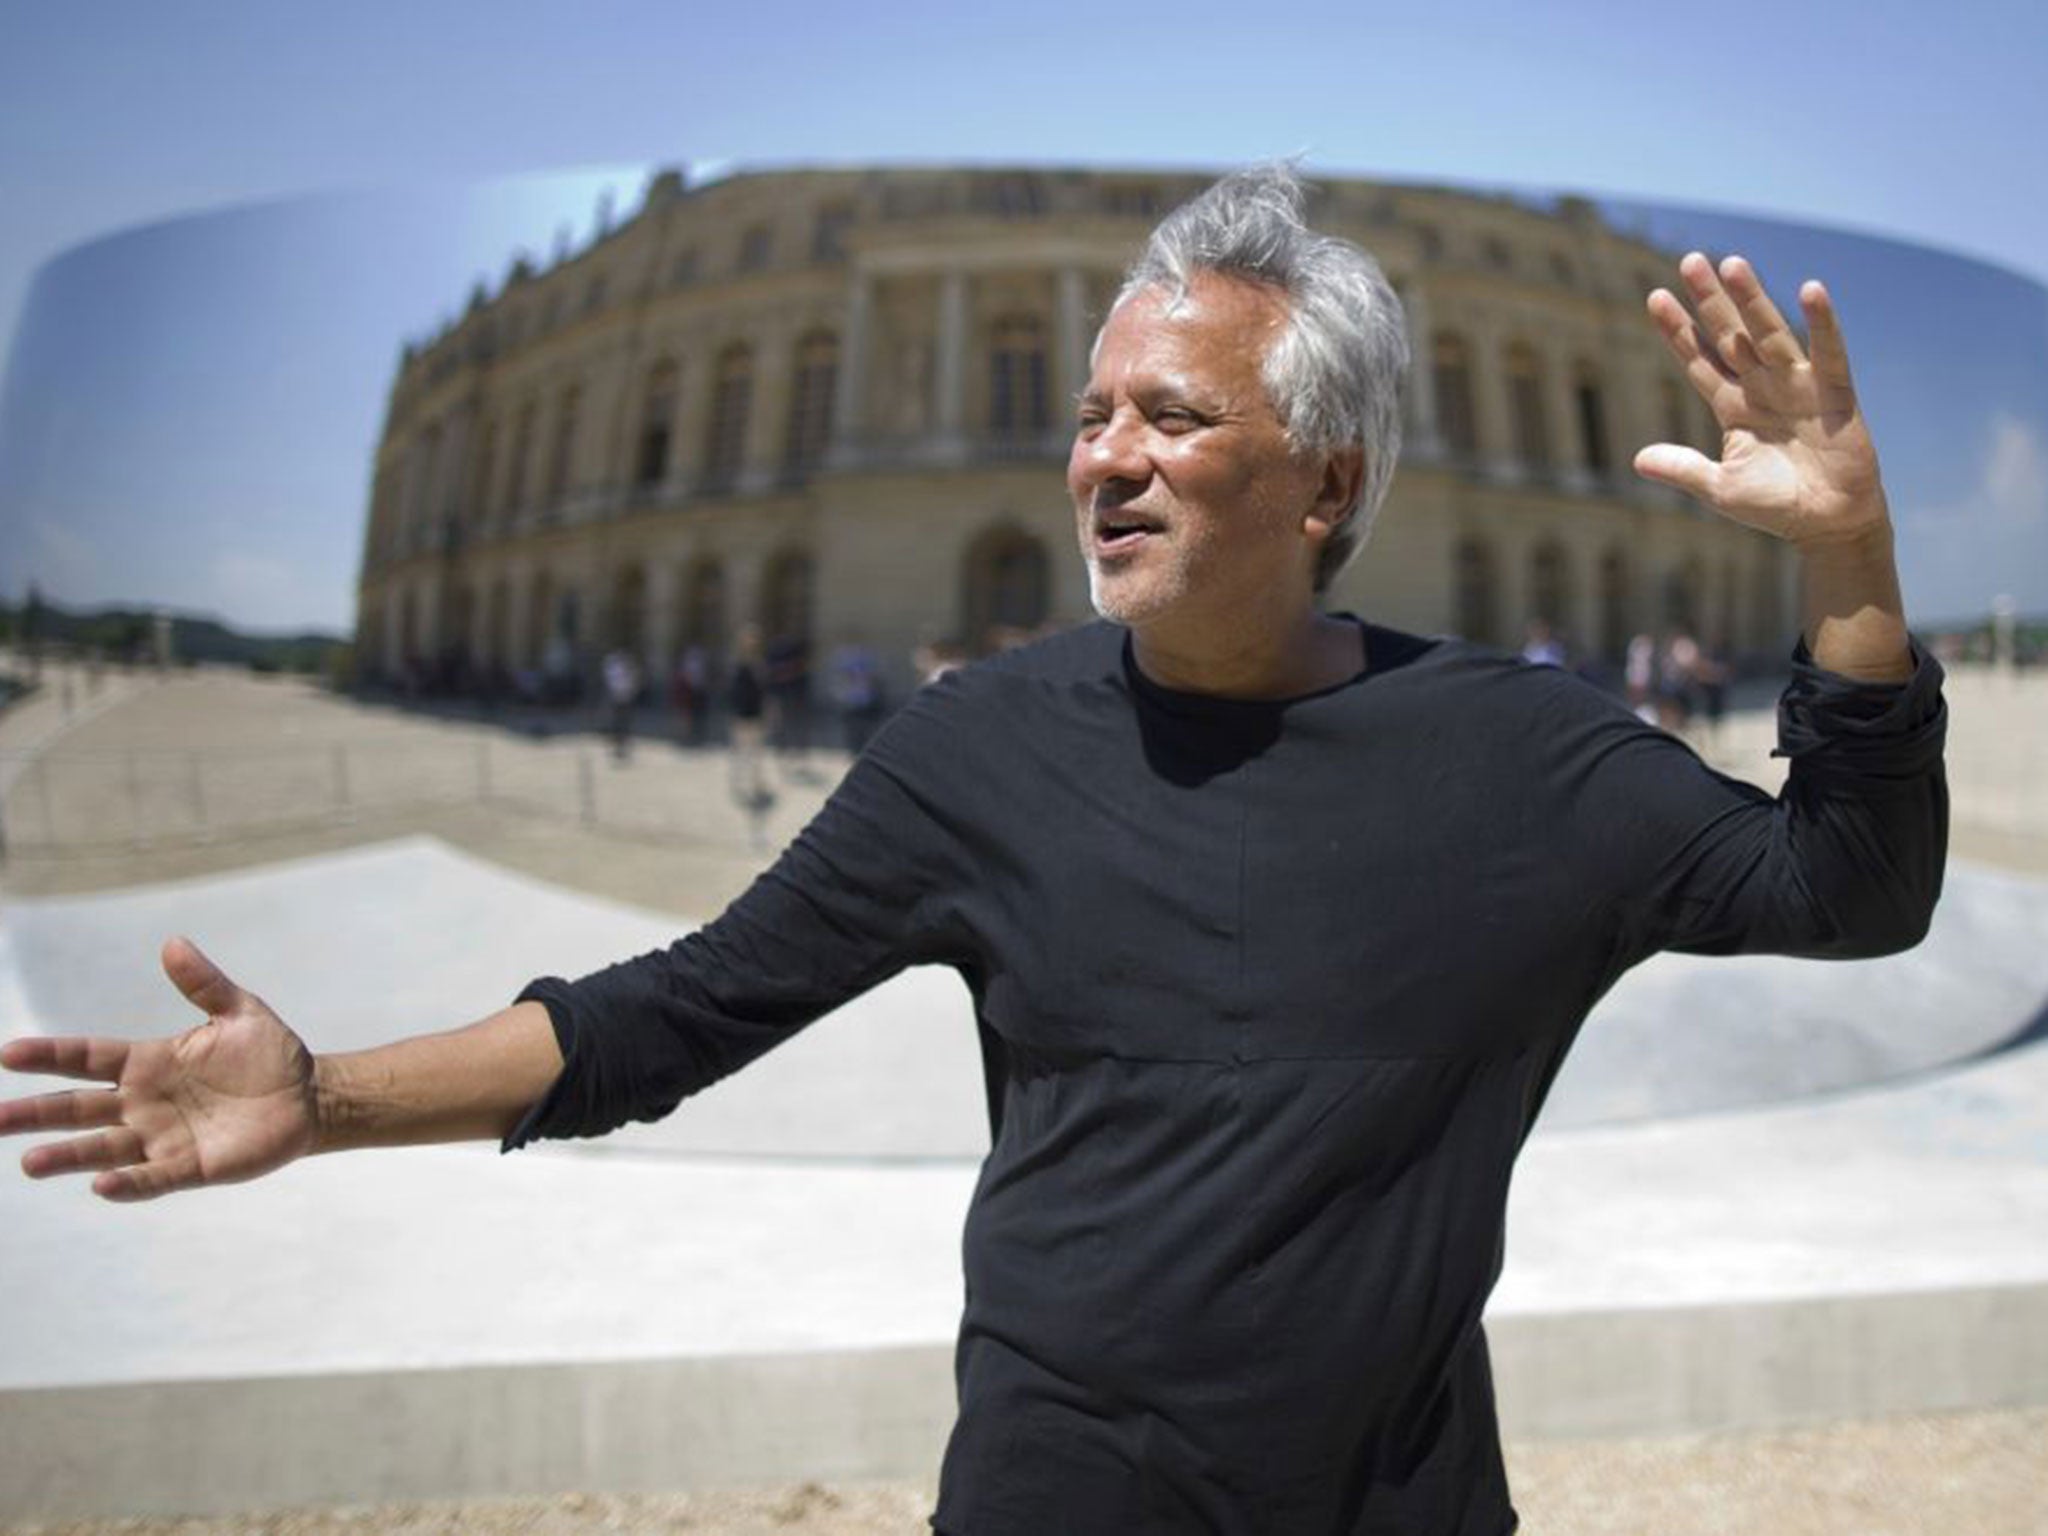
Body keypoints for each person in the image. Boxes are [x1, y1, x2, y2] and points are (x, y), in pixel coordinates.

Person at [0, 167, 1945, 1535]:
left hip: (1400, 1506)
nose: (1097, 453)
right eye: (1089, 411)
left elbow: (1848, 893)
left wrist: (1849, 566)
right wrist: (324, 1093)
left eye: (1168, 414)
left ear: (1329, 476)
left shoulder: (1520, 750)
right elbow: (670, 1016)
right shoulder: (978, 744)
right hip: (1050, 1502)